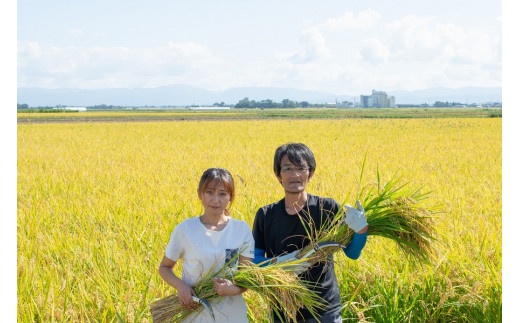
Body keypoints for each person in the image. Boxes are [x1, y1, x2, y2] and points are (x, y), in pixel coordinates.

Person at [252, 143, 368, 323]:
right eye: (287, 168)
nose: (295, 175)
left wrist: (361, 230)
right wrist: (280, 263)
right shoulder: (266, 215)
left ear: (311, 173)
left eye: (301, 168)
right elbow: (253, 262)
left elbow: (351, 253)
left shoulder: (327, 208)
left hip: (325, 310)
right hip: (283, 310)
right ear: (278, 175)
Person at [158, 168, 255, 322]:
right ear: (200, 194)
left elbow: (248, 278)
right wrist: (181, 286)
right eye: (209, 192)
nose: (215, 200)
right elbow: (164, 268)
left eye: (222, 194)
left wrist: (233, 289)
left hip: (233, 315)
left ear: (230, 197)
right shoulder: (185, 229)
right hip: (195, 313)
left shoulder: (241, 229)